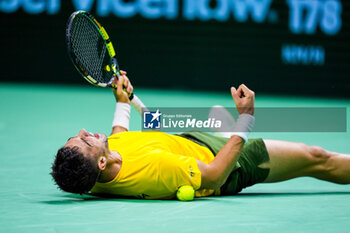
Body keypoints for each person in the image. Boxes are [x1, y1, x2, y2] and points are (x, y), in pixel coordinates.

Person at [51, 71, 350, 199]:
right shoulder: (157, 169)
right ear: (100, 163)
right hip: (228, 164)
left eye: (78, 135)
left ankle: (219, 122)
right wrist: (245, 120)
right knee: (316, 157)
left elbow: (119, 140)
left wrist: (122, 103)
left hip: (188, 142)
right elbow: (217, 174)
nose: (84, 131)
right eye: (85, 140)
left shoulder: (93, 178)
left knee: (212, 114)